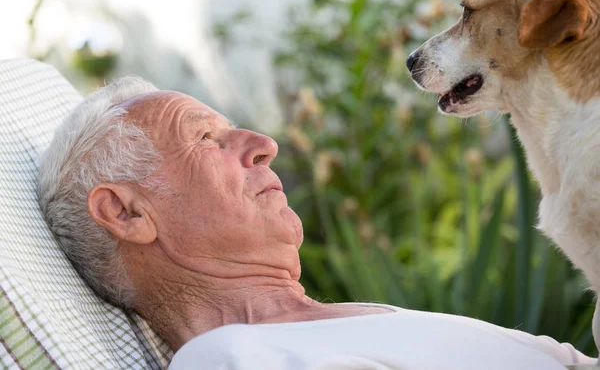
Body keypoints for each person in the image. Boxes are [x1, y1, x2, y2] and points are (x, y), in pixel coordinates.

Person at [38, 77, 594, 369]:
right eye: (206, 139)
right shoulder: (231, 358)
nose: (264, 145)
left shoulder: (310, 331)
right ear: (127, 212)